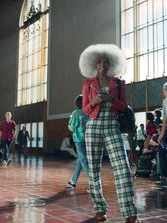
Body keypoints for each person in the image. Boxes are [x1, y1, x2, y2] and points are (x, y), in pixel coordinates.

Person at [80, 44, 137, 222]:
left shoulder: (119, 83)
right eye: (99, 62)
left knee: (123, 168)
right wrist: (95, 101)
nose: (103, 65)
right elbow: (85, 111)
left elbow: (124, 107)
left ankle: (130, 213)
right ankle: (99, 209)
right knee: (94, 170)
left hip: (112, 126)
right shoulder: (88, 84)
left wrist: (112, 99)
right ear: (94, 64)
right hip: (93, 127)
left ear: (111, 64)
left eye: (106, 62)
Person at [66, 95, 90, 189]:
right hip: (87, 138)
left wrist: (70, 125)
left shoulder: (76, 113)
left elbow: (71, 127)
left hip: (78, 139)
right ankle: (73, 181)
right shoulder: (88, 112)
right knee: (80, 159)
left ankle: (93, 184)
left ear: (77, 103)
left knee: (83, 160)